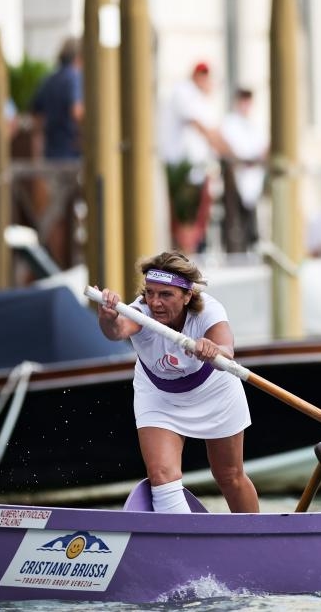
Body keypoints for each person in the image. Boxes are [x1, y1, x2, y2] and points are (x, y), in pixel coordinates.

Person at [95, 251, 259, 514]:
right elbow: (117, 331)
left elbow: (227, 349)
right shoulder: (140, 312)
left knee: (229, 475)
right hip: (159, 394)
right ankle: (183, 545)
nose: (155, 303)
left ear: (187, 295)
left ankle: (257, 543)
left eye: (166, 295)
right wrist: (108, 317)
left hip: (213, 390)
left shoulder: (209, 309)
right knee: (161, 475)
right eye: (150, 292)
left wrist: (212, 349)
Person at [160, 62, 232, 254]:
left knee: (193, 222)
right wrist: (231, 153)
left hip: (195, 170)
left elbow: (213, 131)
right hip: (183, 170)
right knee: (186, 222)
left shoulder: (199, 99)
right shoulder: (185, 93)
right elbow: (203, 128)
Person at [220, 87, 267, 253]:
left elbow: (262, 149)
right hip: (235, 176)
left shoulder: (255, 124)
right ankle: (234, 250)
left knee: (250, 217)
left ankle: (251, 247)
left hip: (253, 176)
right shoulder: (230, 122)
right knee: (234, 219)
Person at [32, 37, 84, 159]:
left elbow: (36, 115)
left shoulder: (48, 79)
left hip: (51, 151)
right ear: (79, 57)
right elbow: (76, 112)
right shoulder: (74, 77)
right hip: (72, 152)